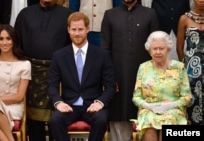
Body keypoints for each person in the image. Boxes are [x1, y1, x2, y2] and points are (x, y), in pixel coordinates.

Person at [47, 12, 115, 141]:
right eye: (73, 29)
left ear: (87, 29)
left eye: (80, 29)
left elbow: (111, 86)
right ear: (68, 30)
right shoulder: (59, 56)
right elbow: (52, 85)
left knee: (101, 120)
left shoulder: (102, 55)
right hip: (68, 105)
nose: (77, 33)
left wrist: (100, 102)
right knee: (54, 121)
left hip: (93, 105)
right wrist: (58, 102)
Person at [14, 0, 74, 140]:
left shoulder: (68, 15)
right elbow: (17, 44)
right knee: (34, 121)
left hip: (60, 74)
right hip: (32, 73)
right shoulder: (25, 14)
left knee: (58, 117)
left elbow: (75, 44)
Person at [100, 0, 159, 141]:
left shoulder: (150, 14)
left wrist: (154, 77)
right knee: (118, 112)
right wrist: (109, 79)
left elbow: (156, 47)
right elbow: (105, 49)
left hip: (144, 77)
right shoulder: (110, 15)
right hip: (117, 75)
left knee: (145, 114)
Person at [132, 30, 192, 141]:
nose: (158, 52)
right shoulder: (143, 68)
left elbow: (187, 97)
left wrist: (170, 106)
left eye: (161, 48)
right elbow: (136, 97)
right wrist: (149, 106)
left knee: (168, 125)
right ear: (149, 51)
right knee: (149, 127)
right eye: (155, 49)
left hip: (173, 110)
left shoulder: (179, 67)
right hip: (149, 110)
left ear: (168, 49)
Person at [177, 0, 204, 125]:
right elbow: (179, 47)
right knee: (192, 100)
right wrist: (185, 66)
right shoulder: (184, 18)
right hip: (191, 69)